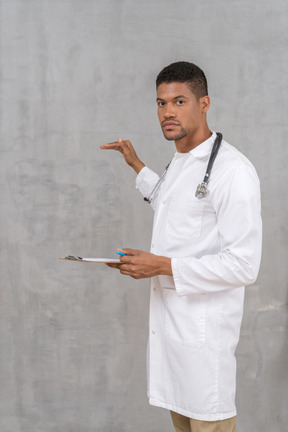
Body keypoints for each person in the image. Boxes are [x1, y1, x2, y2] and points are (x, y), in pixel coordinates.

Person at [100, 61, 262, 432]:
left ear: (204, 103)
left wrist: (159, 266)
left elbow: (244, 265)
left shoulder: (232, 171)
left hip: (205, 349)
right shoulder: (182, 162)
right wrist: (136, 164)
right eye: (161, 103)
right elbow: (176, 206)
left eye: (179, 101)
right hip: (176, 344)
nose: (168, 112)